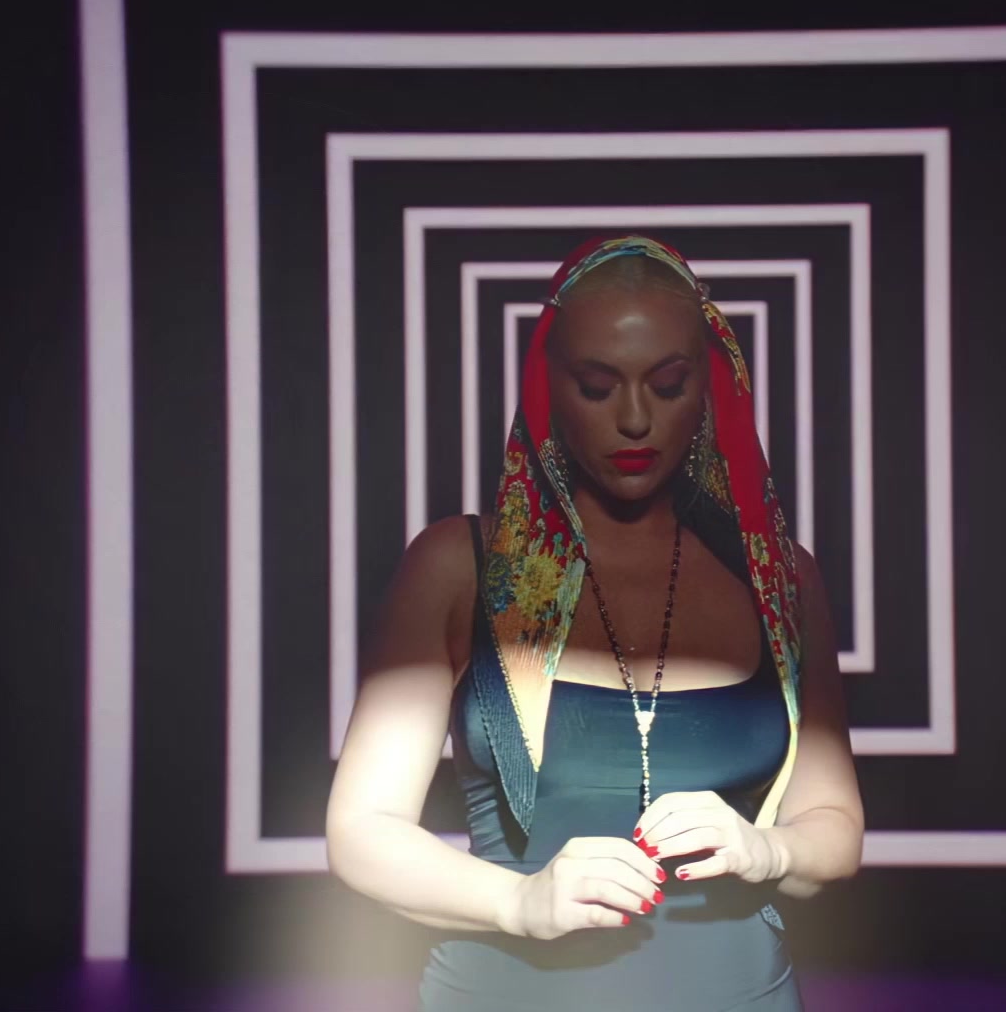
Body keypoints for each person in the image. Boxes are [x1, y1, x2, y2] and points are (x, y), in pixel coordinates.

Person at [325, 235, 864, 1011]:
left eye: (669, 384)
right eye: (597, 385)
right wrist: (519, 902)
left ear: (710, 387)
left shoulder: (779, 576)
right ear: (548, 387)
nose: (635, 418)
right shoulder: (459, 566)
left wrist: (769, 848)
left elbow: (835, 827)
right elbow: (362, 831)